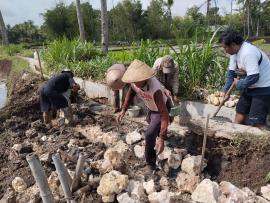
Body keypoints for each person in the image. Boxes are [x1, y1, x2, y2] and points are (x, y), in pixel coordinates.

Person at [116, 59, 171, 173]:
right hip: (151, 107)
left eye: (138, 81)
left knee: (150, 134)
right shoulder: (135, 83)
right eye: (134, 81)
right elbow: (130, 94)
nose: (135, 84)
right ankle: (158, 134)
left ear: (145, 78)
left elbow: (164, 115)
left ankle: (150, 164)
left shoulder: (155, 90)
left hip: (161, 109)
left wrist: (162, 138)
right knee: (153, 127)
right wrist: (123, 110)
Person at [220, 29, 270, 127]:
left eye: (225, 47)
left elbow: (254, 77)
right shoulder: (234, 53)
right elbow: (231, 74)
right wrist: (225, 91)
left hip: (263, 87)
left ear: (233, 44)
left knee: (255, 119)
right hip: (250, 86)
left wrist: (238, 84)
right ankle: (234, 130)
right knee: (240, 110)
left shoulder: (248, 52)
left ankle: (259, 137)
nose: (224, 50)